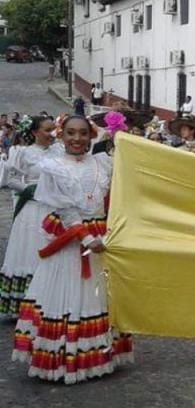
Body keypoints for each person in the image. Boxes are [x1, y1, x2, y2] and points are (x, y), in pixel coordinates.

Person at [13, 116, 134, 383]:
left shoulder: (103, 163)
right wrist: (87, 238)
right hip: (72, 242)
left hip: (101, 235)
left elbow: (125, 183)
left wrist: (117, 136)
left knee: (99, 294)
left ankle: (98, 353)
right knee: (68, 293)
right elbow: (66, 211)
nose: (76, 139)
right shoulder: (53, 167)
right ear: (61, 135)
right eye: (70, 133)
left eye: (82, 133)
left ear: (91, 136)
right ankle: (63, 356)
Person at [0, 116, 61, 318]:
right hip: (34, 210)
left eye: (53, 129)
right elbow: (10, 179)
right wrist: (31, 189)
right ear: (35, 132)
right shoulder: (22, 152)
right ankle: (27, 302)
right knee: (32, 250)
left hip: (57, 209)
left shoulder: (60, 150)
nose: (52, 133)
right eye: (47, 129)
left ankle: (53, 299)